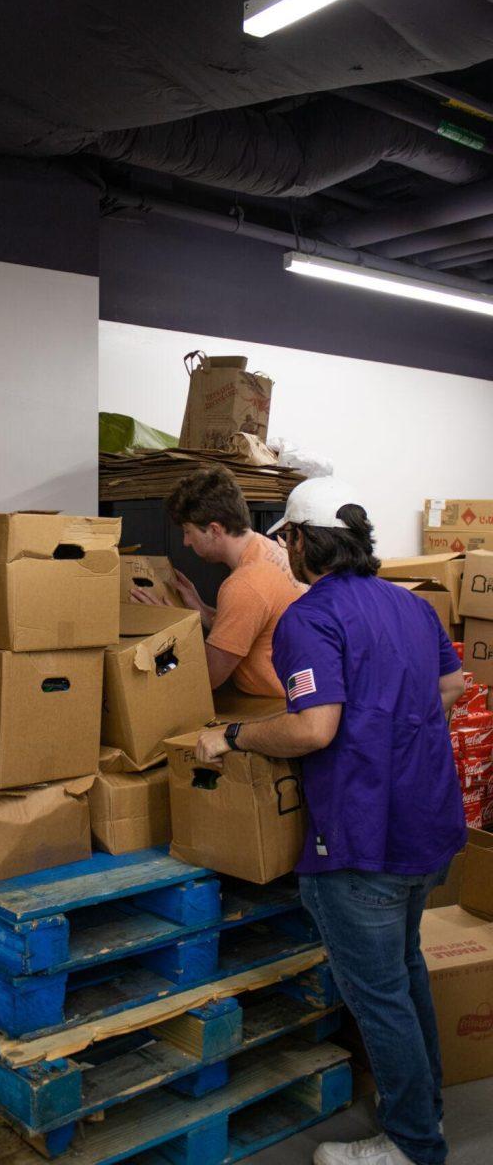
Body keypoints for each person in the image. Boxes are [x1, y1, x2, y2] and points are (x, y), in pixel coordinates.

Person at [195, 476, 467, 1165]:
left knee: (381, 999)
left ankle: (411, 1145)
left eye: (285, 537)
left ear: (299, 541)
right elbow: (450, 685)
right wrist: (395, 729)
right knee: (404, 976)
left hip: (363, 837)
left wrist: (231, 738)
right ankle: (424, 1112)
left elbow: (314, 729)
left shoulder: (310, 617)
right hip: (428, 826)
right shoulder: (407, 604)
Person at [131, 465, 306, 696]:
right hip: (290, 693)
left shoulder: (245, 585)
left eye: (187, 531)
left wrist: (169, 626)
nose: (185, 542)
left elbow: (207, 677)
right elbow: (245, 627)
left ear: (214, 530)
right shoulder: (270, 548)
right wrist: (201, 609)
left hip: (271, 705)